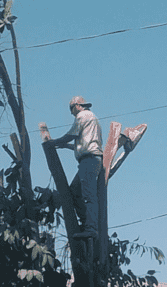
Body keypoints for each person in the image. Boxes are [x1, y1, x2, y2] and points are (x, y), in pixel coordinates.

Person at [51, 96, 103, 239]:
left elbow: (71, 134)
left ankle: (91, 227)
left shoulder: (83, 115)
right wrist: (65, 145)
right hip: (91, 159)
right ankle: (87, 224)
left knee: (89, 196)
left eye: (71, 108)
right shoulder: (92, 118)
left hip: (89, 160)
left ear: (78, 105)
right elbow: (83, 142)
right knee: (75, 191)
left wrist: (54, 142)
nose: (71, 112)